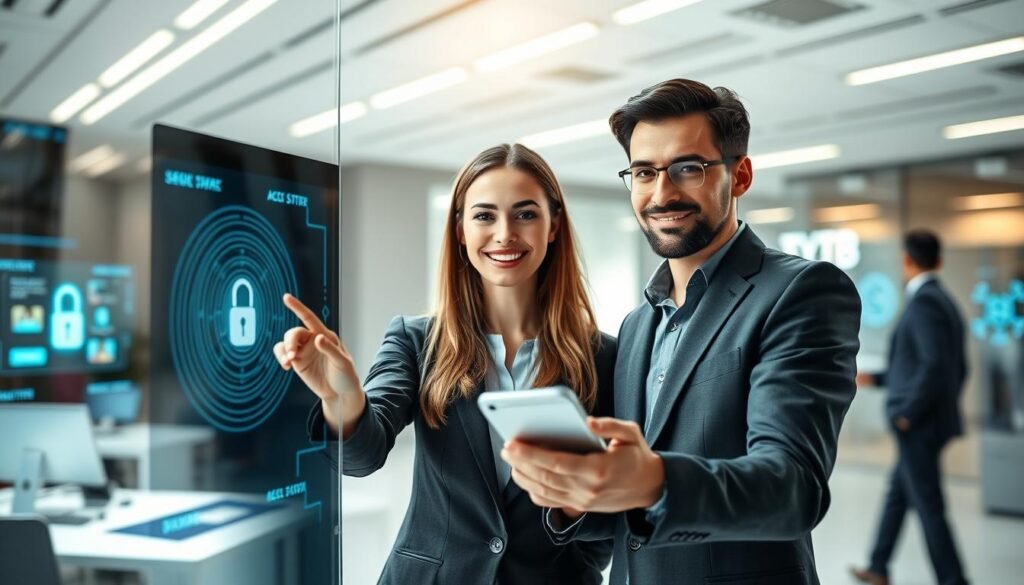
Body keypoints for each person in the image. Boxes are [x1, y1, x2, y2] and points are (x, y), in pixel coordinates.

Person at [501, 78, 862, 584]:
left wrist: (654, 480)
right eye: (644, 172)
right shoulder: (636, 325)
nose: (662, 193)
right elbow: (630, 518)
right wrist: (574, 499)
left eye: (688, 168)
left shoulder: (801, 291)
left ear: (740, 175)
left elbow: (793, 488)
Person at [273, 144, 615, 584]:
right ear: (459, 230)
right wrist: (342, 400)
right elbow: (361, 457)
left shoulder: (604, 356)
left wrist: (574, 513)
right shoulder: (416, 340)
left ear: (553, 227)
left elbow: (606, 521)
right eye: (484, 215)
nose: (505, 233)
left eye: (526, 214)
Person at [851, 229, 969, 585]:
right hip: (927, 420)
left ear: (906, 259)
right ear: (940, 260)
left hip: (919, 424)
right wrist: (877, 379)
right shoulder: (944, 300)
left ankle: (954, 580)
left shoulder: (925, 302)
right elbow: (952, 367)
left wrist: (908, 413)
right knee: (898, 495)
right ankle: (878, 566)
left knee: (929, 506)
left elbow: (933, 366)